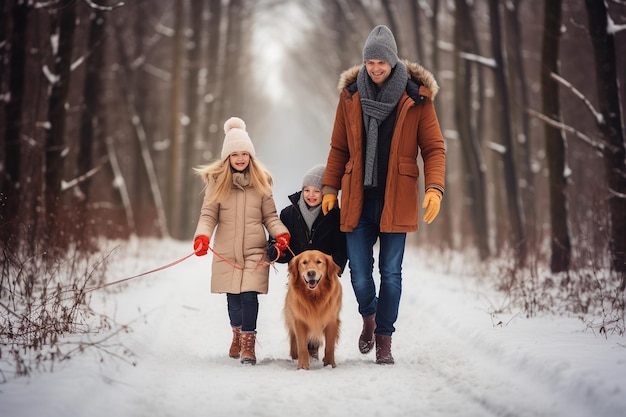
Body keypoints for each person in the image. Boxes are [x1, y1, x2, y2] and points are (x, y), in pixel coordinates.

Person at [321, 25, 446, 365]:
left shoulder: (416, 97)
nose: (375, 68)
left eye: (381, 62)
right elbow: (338, 147)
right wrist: (331, 187)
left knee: (391, 272)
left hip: (397, 198)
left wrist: (434, 188)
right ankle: (369, 318)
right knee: (359, 273)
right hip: (358, 200)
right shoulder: (350, 96)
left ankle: (385, 338)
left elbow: (434, 148)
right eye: (370, 62)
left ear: (392, 62)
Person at [193, 116, 290, 365]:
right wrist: (202, 237)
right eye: (234, 154)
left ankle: (248, 344)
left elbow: (270, 216)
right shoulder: (217, 184)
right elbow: (208, 215)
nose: (239, 158)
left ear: (250, 156)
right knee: (233, 300)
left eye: (244, 153)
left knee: (249, 296)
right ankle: (236, 332)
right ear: (227, 157)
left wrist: (280, 234)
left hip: (255, 251)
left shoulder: (261, 183)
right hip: (227, 251)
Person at [267, 164, 347, 274]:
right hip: (297, 274)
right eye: (307, 190)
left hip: (324, 275)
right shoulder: (288, 214)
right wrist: (275, 252)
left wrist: (334, 269)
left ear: (325, 192)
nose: (311, 195)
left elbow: (340, 247)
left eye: (317, 191)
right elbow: (279, 243)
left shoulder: (334, 216)